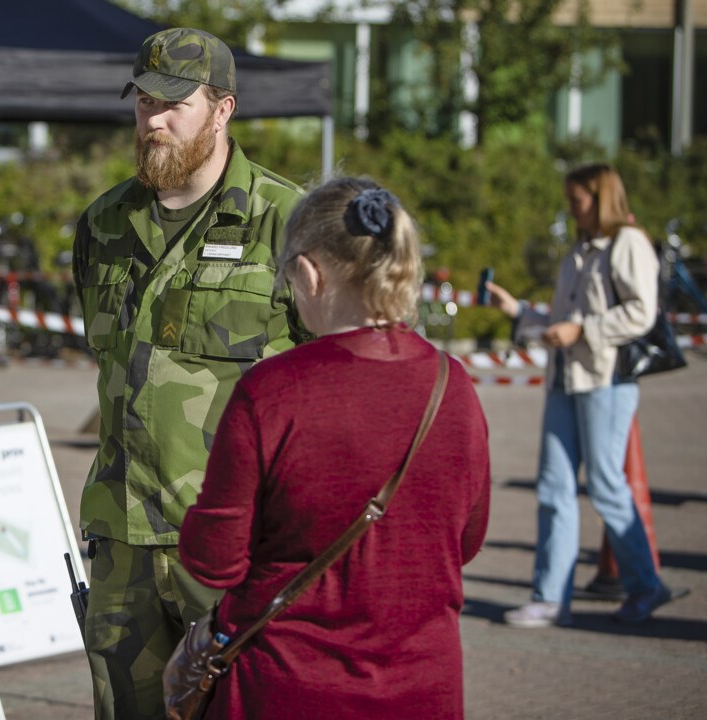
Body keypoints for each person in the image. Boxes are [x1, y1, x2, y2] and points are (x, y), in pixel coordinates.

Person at [179, 177, 491, 719]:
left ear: (308, 272)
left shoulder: (272, 389)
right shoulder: (454, 384)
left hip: (288, 686)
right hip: (424, 686)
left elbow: (214, 558)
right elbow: (466, 539)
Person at [71, 27, 305, 720]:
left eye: (175, 103)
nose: (155, 120)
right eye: (144, 102)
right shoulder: (103, 225)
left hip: (232, 547)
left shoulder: (286, 221)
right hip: (122, 548)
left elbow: (329, 385)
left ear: (224, 109)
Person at [487, 163, 674, 627]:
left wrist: (583, 330)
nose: (572, 207)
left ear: (601, 197)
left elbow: (642, 313)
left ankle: (646, 586)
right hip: (566, 380)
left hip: (606, 381)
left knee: (608, 487)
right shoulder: (578, 250)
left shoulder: (627, 243)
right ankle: (550, 598)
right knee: (554, 488)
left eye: (578, 199)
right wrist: (519, 313)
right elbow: (562, 322)